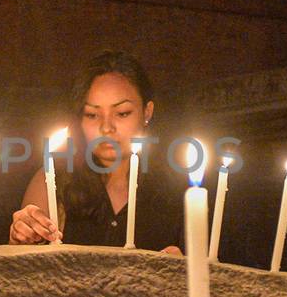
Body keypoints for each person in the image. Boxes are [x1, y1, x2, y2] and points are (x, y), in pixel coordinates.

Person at [10, 51, 184, 253]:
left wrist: (182, 272)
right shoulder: (53, 181)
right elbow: (23, 270)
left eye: (122, 113)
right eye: (92, 114)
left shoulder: (178, 187)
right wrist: (23, 236)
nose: (106, 127)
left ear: (147, 112)